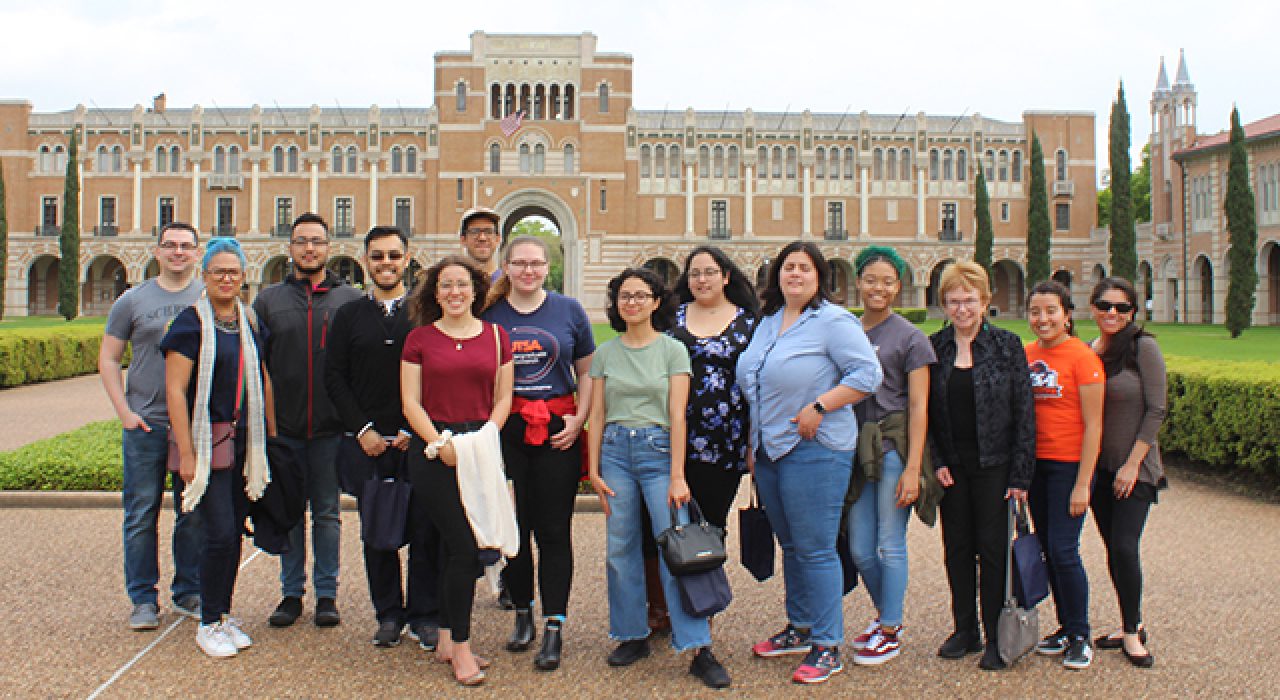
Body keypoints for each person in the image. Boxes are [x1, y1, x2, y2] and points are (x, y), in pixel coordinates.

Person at [737, 241, 882, 685]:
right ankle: (800, 627)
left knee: (816, 548)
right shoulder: (767, 324)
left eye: (803, 268)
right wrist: (752, 442)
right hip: (772, 451)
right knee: (793, 545)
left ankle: (826, 644)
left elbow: (867, 375)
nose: (794, 274)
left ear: (819, 276)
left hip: (816, 449)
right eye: (787, 268)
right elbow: (756, 385)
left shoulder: (834, 321)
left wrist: (820, 405)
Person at [587, 267, 731, 690]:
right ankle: (631, 635)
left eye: (640, 295)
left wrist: (677, 475)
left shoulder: (672, 350)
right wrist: (593, 469)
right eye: (623, 296)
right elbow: (596, 414)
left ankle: (697, 644)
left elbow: (677, 417)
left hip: (657, 453)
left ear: (655, 302)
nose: (631, 303)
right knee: (621, 549)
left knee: (678, 550)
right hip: (615, 452)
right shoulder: (606, 353)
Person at [324, 226, 441, 651]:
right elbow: (334, 376)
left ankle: (424, 614)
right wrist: (362, 430)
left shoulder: (426, 314)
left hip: (418, 439)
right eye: (377, 256)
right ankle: (388, 614)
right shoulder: (349, 315)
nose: (386, 263)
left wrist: (417, 427)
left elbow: (439, 375)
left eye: (393, 255)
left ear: (407, 259)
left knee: (424, 529)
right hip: (368, 442)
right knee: (377, 530)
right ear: (366, 261)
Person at [482, 235, 595, 671]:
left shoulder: (569, 311)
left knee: (552, 532)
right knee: (513, 530)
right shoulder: (490, 313)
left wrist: (578, 418)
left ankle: (554, 625)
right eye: (520, 263)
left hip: (555, 428)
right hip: (505, 429)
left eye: (536, 263)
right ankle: (522, 614)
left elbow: (585, 370)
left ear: (549, 267)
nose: (528, 270)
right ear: (506, 267)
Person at [401, 256, 514, 687]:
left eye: (461, 284)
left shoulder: (497, 337)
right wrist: (439, 443)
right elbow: (411, 401)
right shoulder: (419, 339)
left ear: (475, 289)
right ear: (435, 292)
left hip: (480, 445)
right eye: (445, 285)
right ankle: (463, 649)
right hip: (435, 451)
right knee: (464, 548)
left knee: (457, 548)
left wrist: (485, 439)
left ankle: (448, 637)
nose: (454, 292)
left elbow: (504, 397)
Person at [161, 237, 275, 658]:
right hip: (208, 444)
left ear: (243, 278)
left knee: (232, 537)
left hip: (244, 443)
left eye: (234, 272)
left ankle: (223, 616)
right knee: (219, 533)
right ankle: (209, 622)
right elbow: (175, 391)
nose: (226, 279)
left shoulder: (246, 320)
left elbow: (259, 380)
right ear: (204, 276)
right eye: (218, 272)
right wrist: (188, 454)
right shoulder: (190, 324)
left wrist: (270, 439)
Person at [253, 212, 362, 628]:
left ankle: (328, 594)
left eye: (316, 241)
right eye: (301, 241)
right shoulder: (269, 302)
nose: (309, 248)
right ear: (291, 247)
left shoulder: (348, 300)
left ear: (328, 248)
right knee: (291, 511)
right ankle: (291, 593)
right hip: (286, 427)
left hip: (331, 429)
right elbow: (258, 368)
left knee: (328, 513)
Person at [928, 261, 1035, 671]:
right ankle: (965, 629)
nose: (962, 309)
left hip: (996, 466)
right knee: (956, 550)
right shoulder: (936, 348)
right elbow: (928, 413)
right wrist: (938, 461)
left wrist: (1021, 474)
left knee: (992, 552)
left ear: (985, 301)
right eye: (953, 301)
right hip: (953, 467)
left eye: (969, 300)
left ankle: (996, 634)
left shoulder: (1007, 346)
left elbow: (1025, 414)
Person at [99, 221, 206, 630]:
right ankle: (143, 598)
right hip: (145, 424)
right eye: (170, 246)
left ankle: (188, 591)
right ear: (157, 252)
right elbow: (109, 357)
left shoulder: (207, 298)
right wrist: (125, 411)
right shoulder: (132, 301)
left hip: (193, 427)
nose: (178, 253)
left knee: (191, 512)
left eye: (185, 246)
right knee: (141, 513)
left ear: (197, 254)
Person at [845, 246, 936, 666]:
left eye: (887, 281)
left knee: (889, 543)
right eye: (871, 280)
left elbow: (919, 407)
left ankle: (889, 629)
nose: (878, 288)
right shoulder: (848, 330)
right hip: (858, 449)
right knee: (861, 549)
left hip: (894, 447)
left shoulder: (910, 338)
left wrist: (914, 468)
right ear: (858, 283)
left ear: (899, 287)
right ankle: (888, 617)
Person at [1024, 280, 1105, 670]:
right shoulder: (1027, 355)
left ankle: (1080, 633)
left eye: (1051, 311)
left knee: (1063, 550)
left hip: (1068, 465)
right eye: (1036, 312)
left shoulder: (1083, 358)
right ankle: (1065, 627)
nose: (1043, 319)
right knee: (1048, 549)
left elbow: (1094, 425)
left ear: (1067, 315)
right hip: (1036, 466)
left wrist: (1083, 483)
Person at [1087, 277, 1165, 669]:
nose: (1112, 314)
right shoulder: (1090, 351)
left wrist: (1132, 464)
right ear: (1093, 308)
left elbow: (1156, 410)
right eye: (1105, 306)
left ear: (1133, 312)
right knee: (1112, 550)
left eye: (1121, 308)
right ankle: (1127, 620)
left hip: (1135, 469)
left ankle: (1132, 632)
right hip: (1099, 470)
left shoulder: (1142, 347)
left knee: (1123, 546)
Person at [459, 207, 503, 282]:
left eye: (488, 231)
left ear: (498, 239)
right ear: (463, 239)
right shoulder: (454, 285)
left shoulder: (509, 284)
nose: (482, 238)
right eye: (474, 231)